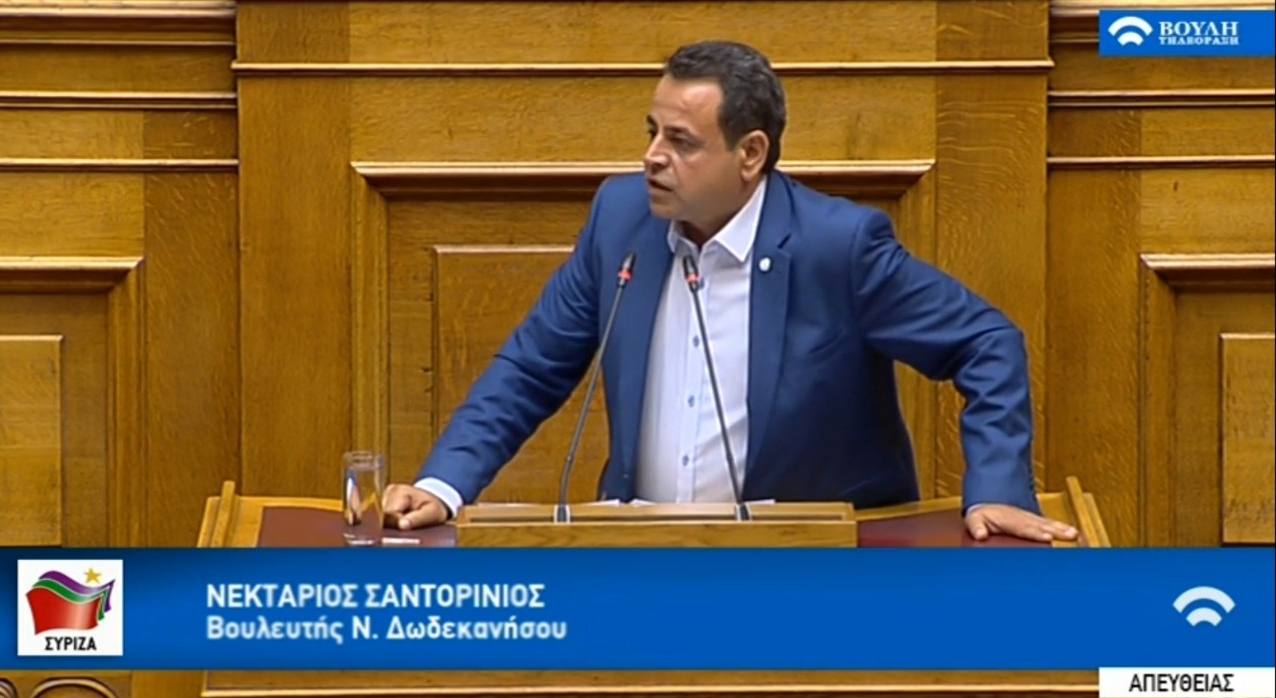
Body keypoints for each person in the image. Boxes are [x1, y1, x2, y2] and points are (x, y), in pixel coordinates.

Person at [384, 40, 1078, 543]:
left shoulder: (837, 246)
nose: (652, 157)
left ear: (750, 154)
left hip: (808, 565)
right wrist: (446, 484)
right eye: (652, 133)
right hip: (642, 555)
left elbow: (986, 341)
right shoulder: (621, 221)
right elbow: (531, 368)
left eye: (681, 141)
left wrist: (996, 487)